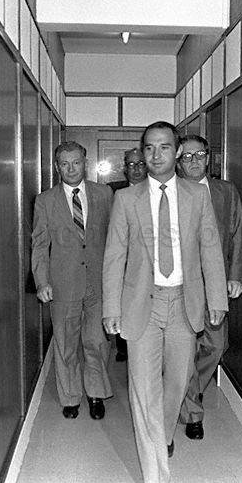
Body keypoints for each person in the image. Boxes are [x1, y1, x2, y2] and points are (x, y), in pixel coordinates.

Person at [102, 121, 228, 483]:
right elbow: (114, 256)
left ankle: (163, 434)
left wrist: (216, 298)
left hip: (183, 304)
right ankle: (156, 479)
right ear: (143, 154)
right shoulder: (126, 199)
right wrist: (111, 307)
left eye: (164, 147)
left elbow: (210, 249)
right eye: (149, 148)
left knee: (177, 382)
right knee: (143, 392)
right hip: (141, 303)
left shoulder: (197, 196)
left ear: (177, 152)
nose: (156, 155)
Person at [32, 141, 114, 420]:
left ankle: (96, 394)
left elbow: (116, 239)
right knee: (65, 343)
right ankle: (70, 396)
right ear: (57, 167)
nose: (71, 169)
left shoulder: (104, 194)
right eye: (65, 164)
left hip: (98, 282)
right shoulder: (45, 201)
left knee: (97, 341)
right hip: (63, 283)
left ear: (85, 163)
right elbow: (40, 245)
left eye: (76, 162)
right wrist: (42, 281)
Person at [176, 135, 242, 440]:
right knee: (185, 350)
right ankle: (192, 412)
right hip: (181, 285)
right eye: (187, 156)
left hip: (215, 285)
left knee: (216, 346)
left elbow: (236, 234)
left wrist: (235, 274)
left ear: (209, 157)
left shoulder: (226, 191)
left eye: (199, 155)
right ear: (178, 162)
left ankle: (191, 389)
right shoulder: (170, 192)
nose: (194, 161)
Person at [106, 147, 148, 362]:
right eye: (131, 164)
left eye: (140, 164)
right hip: (121, 262)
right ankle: (124, 347)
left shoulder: (158, 191)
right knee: (124, 306)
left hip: (148, 265)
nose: (136, 169)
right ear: (124, 168)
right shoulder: (112, 192)